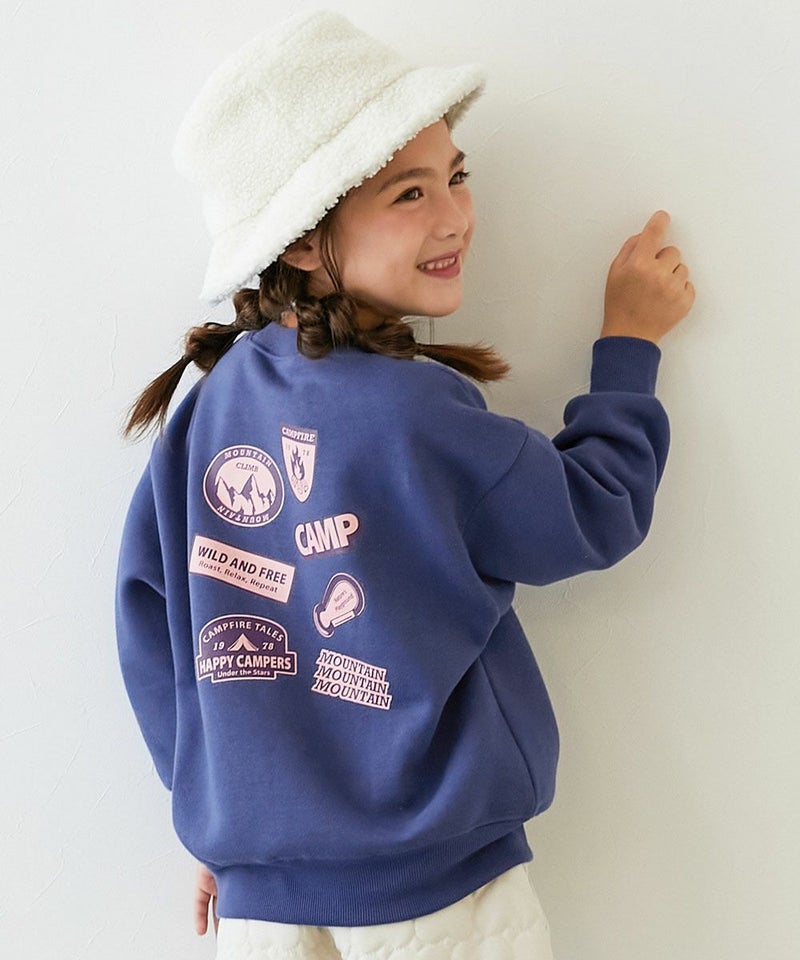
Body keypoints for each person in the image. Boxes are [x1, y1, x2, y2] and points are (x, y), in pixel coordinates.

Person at [114, 8, 695, 960]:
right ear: (302, 242)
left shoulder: (205, 408)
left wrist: (215, 811)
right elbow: (592, 514)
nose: (454, 216)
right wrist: (629, 344)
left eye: (456, 177)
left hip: (257, 907)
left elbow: (151, 620)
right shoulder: (415, 410)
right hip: (438, 903)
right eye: (409, 193)